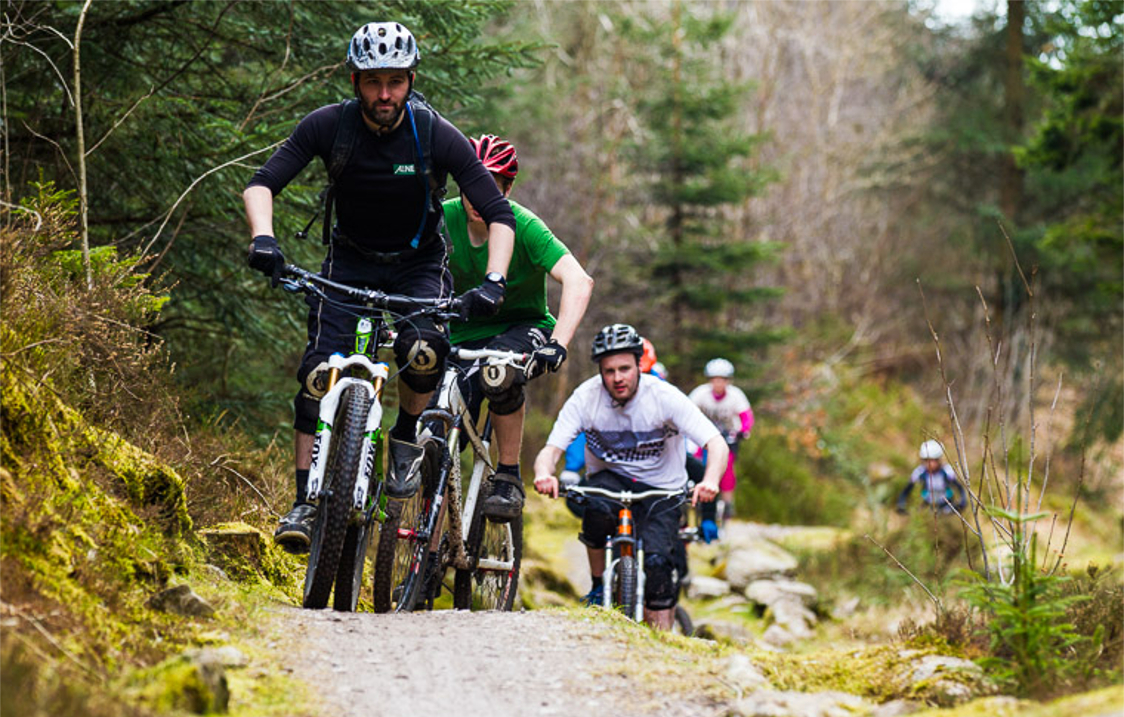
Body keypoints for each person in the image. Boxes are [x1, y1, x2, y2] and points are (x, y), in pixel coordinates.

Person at [244, 22, 517, 552]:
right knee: (317, 375)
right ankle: (304, 500)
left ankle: (404, 438)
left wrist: (494, 280)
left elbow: (499, 214)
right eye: (373, 82)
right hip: (348, 263)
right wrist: (264, 239)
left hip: (417, 264)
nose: (384, 94)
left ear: (411, 80)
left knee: (423, 353)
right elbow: (262, 183)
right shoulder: (329, 126)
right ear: (355, 80)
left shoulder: (435, 133)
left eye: (395, 81)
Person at [532, 324, 729, 630]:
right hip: (609, 478)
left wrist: (711, 481)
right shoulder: (586, 398)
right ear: (600, 370)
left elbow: (715, 443)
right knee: (595, 510)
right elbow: (552, 448)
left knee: (659, 566)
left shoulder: (664, 397)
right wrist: (546, 474)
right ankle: (599, 586)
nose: (617, 378)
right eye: (609, 371)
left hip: (662, 487)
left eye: (624, 368)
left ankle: (661, 640)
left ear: (639, 365)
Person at [443, 134, 593, 522]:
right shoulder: (443, 218)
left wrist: (558, 344)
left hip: (523, 327)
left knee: (501, 373)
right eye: (471, 184)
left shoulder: (525, 227)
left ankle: (508, 475)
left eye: (490, 187)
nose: (477, 197)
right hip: (460, 333)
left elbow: (579, 281)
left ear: (507, 189)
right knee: (435, 411)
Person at [688, 358, 754, 522]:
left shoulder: (735, 395)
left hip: (728, 436)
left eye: (722, 380)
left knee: (727, 466)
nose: (718, 383)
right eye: (715, 379)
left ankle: (727, 501)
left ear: (728, 381)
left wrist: (743, 431)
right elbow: (687, 412)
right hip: (705, 435)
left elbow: (746, 416)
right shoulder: (700, 394)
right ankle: (695, 496)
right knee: (696, 462)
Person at [896, 440, 967, 515]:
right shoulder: (919, 472)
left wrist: (962, 502)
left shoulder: (947, 471)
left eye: (933, 460)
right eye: (927, 460)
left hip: (946, 506)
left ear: (939, 459)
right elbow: (907, 490)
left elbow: (960, 488)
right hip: (927, 505)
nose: (930, 464)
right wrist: (901, 504)